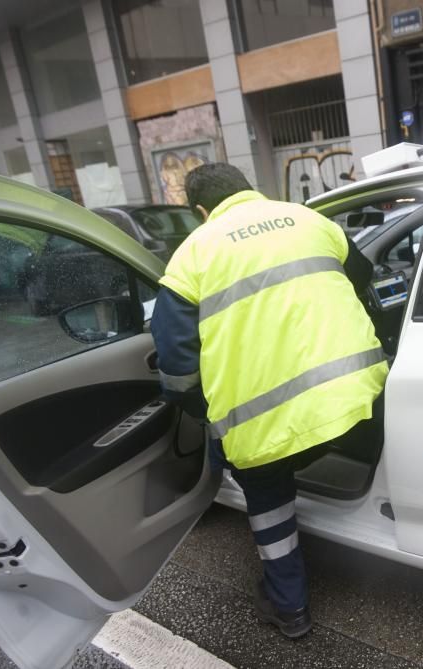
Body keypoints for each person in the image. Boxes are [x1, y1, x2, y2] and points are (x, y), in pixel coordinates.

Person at [150, 163, 387, 639]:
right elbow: (363, 279)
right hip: (356, 392)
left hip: (263, 424)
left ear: (201, 210)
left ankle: (290, 609)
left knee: (265, 493)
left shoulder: (193, 252)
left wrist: (204, 411)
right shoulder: (309, 219)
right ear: (249, 189)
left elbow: (175, 364)